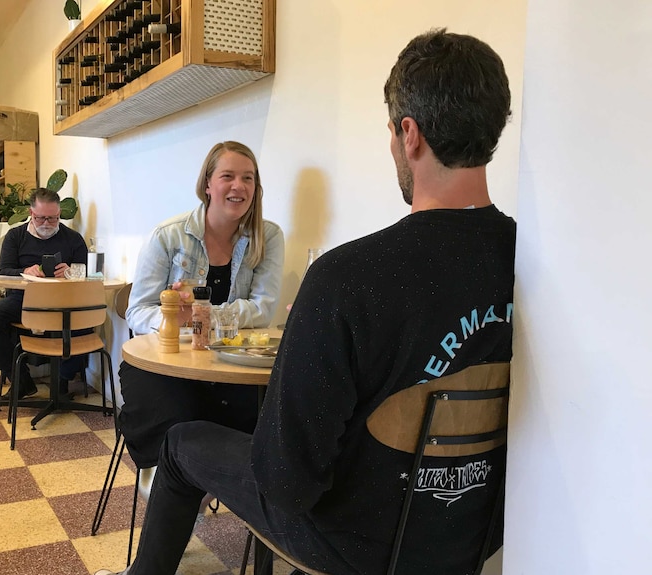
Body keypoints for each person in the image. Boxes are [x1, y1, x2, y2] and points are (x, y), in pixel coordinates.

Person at [96, 29, 515, 575]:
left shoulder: (345, 278)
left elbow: (287, 484)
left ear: (408, 134)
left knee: (181, 444)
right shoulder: (539, 264)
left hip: (354, 542)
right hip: (476, 531)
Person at [118, 140, 285, 471]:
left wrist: (198, 318)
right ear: (207, 184)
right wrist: (172, 319)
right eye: (228, 176)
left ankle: (206, 489)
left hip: (231, 364)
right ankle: (178, 485)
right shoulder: (167, 235)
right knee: (178, 419)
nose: (239, 186)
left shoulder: (269, 236)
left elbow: (263, 309)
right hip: (165, 363)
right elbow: (137, 311)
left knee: (275, 417)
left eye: (248, 178)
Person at [0, 187, 89, 398]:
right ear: (30, 213)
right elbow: (3, 271)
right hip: (23, 300)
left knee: (85, 321)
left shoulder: (73, 238)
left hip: (64, 302)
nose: (46, 223)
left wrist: (71, 272)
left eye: (53, 219)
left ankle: (62, 382)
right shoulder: (15, 236)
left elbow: (86, 273)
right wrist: (24, 271)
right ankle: (21, 380)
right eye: (41, 218)